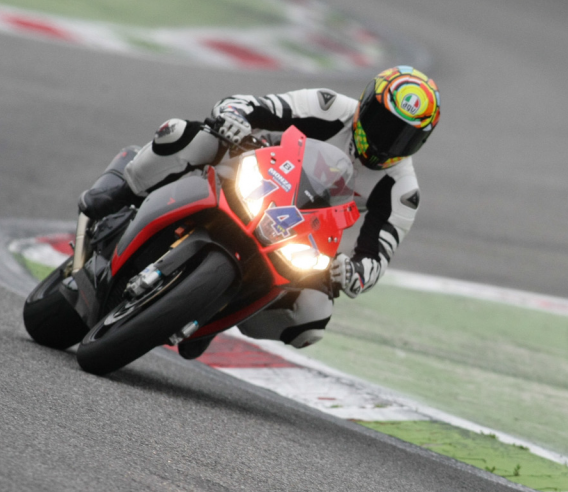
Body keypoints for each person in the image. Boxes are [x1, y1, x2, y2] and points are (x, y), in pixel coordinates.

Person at [77, 66, 441, 357]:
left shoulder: (402, 190)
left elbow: (377, 256)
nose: (385, 141)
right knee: (184, 134)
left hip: (301, 230)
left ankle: (214, 310)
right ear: (365, 105)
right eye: (382, 124)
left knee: (311, 317)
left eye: (403, 137)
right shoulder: (329, 107)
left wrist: (353, 273)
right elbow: (253, 105)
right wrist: (233, 117)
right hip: (258, 170)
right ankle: (122, 190)